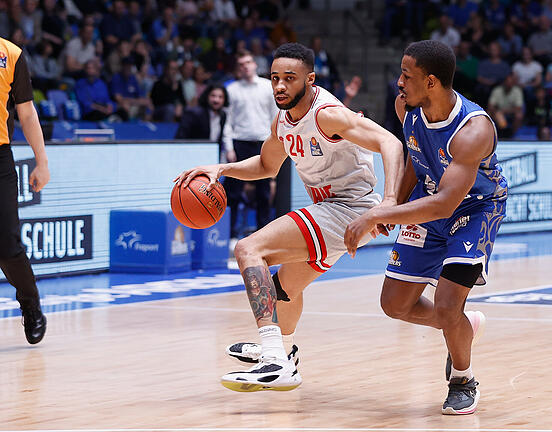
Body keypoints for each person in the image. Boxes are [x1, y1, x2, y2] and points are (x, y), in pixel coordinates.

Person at [174, 43, 403, 392]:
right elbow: (267, 166)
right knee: (283, 291)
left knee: (249, 249)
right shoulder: (283, 120)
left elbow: (391, 144)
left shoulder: (328, 115)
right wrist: (222, 168)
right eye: (275, 78)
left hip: (349, 209)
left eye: (289, 79)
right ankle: (285, 356)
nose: (280, 86)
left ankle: (272, 359)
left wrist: (388, 202)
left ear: (309, 80)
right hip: (333, 213)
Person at [344, 40, 508, 415]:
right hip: (428, 203)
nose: (398, 82)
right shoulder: (408, 109)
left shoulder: (474, 129)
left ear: (431, 82)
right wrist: (395, 203)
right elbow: (418, 158)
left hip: (474, 210)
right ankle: (461, 329)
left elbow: (447, 202)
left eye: (407, 75)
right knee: (394, 304)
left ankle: (463, 378)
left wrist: (377, 215)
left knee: (449, 303)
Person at [0, 37, 50, 344]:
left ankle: (30, 306)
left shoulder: (11, 53)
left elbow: (27, 112)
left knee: (7, 245)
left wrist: (41, 162)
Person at [222, 50, 280, 238]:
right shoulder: (231, 90)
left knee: (264, 192)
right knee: (233, 192)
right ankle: (230, 234)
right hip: (240, 142)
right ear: (238, 68)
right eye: (241, 64)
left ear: (255, 64)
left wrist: (277, 144)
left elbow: (275, 117)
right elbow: (227, 121)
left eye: (248, 62)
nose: (245, 66)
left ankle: (263, 234)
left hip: (264, 142)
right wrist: (229, 147)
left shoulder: (267, 87)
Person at [175, 84, 228, 159]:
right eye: (213, 96)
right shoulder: (194, 113)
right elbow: (180, 138)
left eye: (220, 97)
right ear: (207, 96)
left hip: (211, 156)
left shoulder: (223, 115)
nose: (216, 100)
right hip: (191, 155)